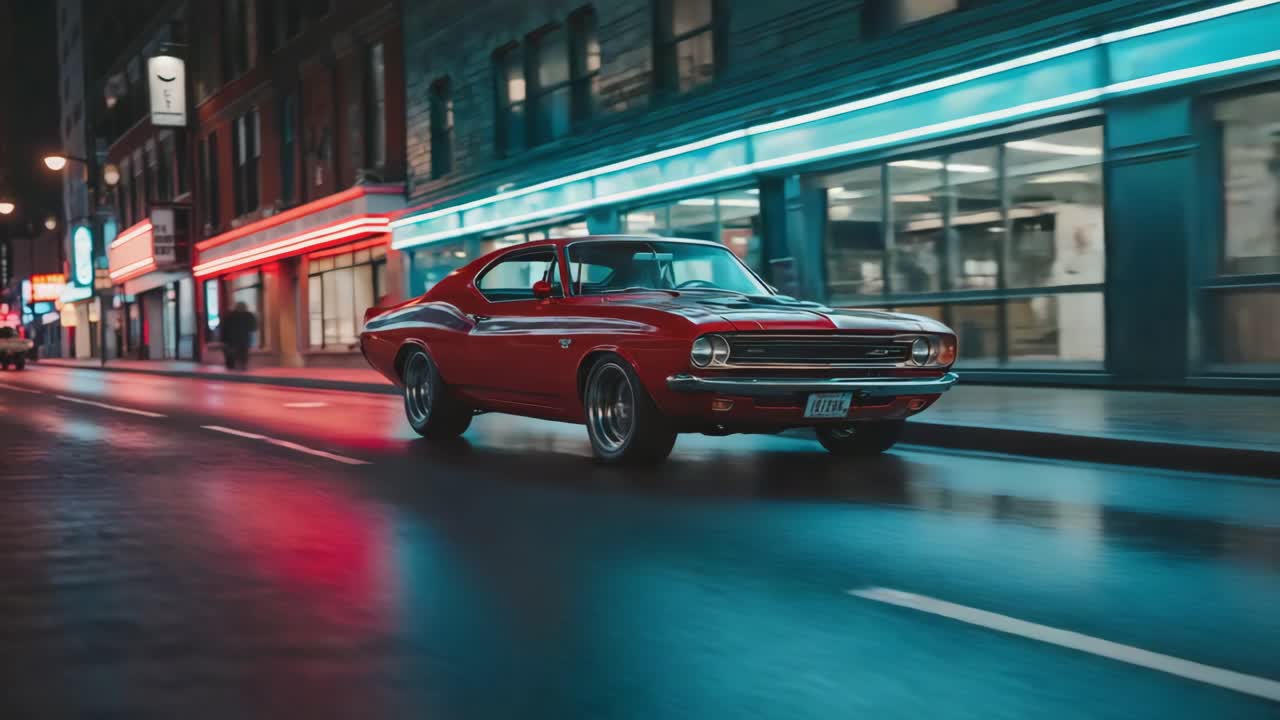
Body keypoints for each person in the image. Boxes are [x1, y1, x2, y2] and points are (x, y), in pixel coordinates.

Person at [220, 302, 257, 370]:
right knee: (243, 352)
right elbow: (253, 327)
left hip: (232, 339)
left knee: (233, 352)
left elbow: (224, 328)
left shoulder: (230, 315)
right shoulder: (249, 315)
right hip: (244, 338)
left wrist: (223, 339)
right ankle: (242, 365)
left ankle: (233, 365)